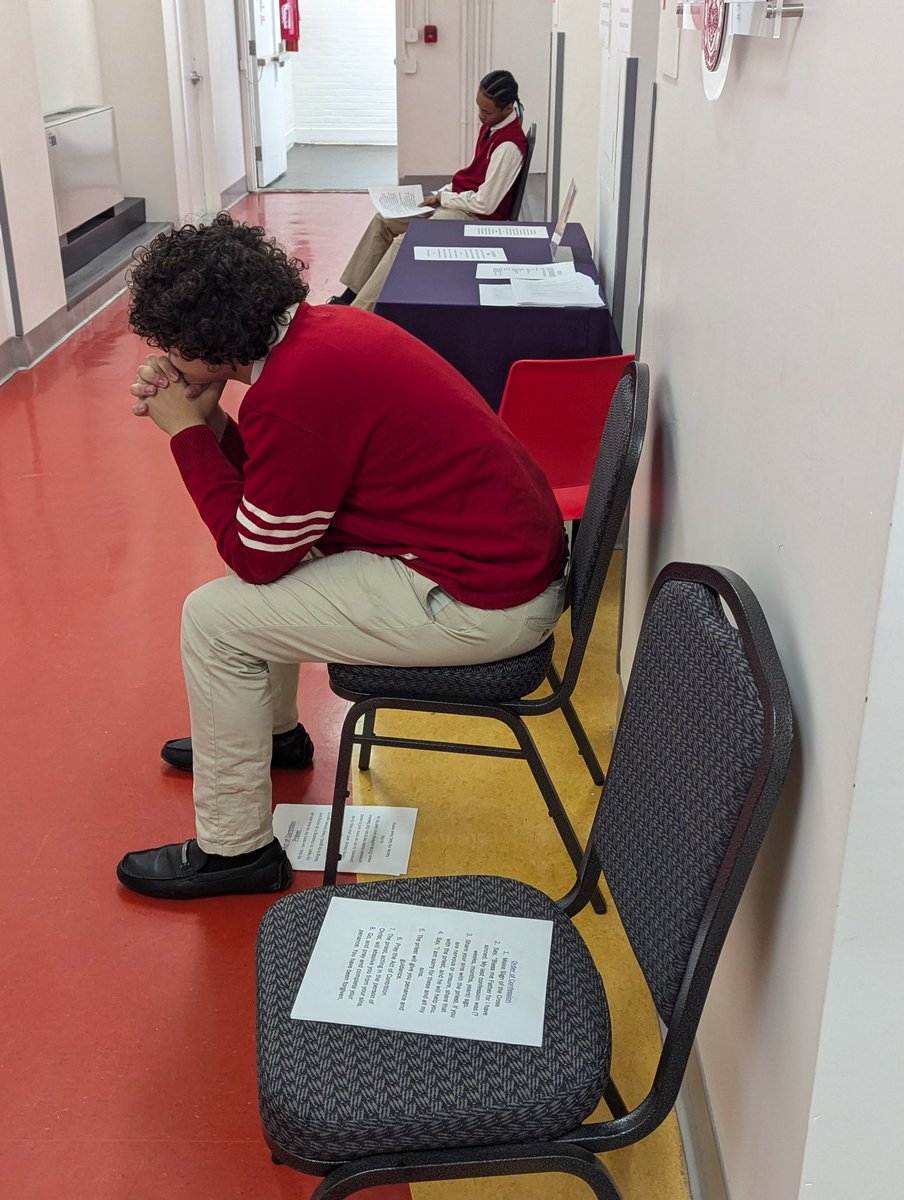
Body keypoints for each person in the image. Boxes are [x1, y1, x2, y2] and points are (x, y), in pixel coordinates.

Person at [117, 212, 567, 901]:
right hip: (494, 564)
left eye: (171, 343)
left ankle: (235, 851)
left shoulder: (294, 394)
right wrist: (208, 417)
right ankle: (272, 740)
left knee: (213, 618)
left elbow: (256, 554)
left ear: (206, 342)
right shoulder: (322, 336)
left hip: (484, 601)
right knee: (272, 582)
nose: (167, 358)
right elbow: (282, 503)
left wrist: (188, 434)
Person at [330, 69, 527, 312]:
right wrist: (442, 193)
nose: (480, 116)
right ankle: (350, 295)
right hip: (461, 204)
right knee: (383, 221)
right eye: (479, 107)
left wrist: (445, 197)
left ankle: (359, 312)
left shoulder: (509, 146)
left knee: (407, 241)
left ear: (507, 109)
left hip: (476, 218)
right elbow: (474, 178)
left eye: (486, 111)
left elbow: (485, 204)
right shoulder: (492, 127)